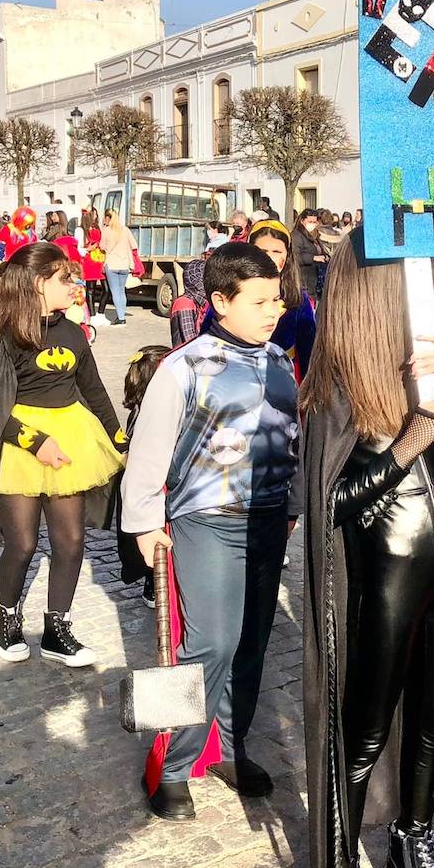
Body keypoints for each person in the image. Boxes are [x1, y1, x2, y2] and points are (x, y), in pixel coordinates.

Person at [301, 232, 434, 868]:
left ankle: (414, 834)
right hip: (388, 568)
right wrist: (404, 445)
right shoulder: (337, 384)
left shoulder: (424, 367)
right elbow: (329, 502)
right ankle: (342, 855)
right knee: (367, 725)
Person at [119, 243, 301, 822]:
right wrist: (146, 522)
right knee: (211, 643)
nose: (274, 309)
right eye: (259, 300)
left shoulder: (279, 360)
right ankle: (173, 765)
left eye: (277, 297)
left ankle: (230, 746)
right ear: (220, 301)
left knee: (251, 643)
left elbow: (290, 439)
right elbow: (148, 453)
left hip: (269, 520)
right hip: (208, 521)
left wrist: (292, 503)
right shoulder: (184, 367)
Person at [0, 242, 128, 667]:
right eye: (65, 279)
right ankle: (8, 616)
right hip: (20, 444)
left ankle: (58, 629)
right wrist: (35, 442)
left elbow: (92, 389)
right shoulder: (3, 337)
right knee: (20, 545)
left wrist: (118, 437)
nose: (74, 286)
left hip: (71, 439)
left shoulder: (73, 331)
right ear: (40, 283)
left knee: (71, 542)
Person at [246, 220, 316, 379]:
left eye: (277, 251)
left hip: (284, 382)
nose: (269, 258)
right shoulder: (232, 292)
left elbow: (308, 350)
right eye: (262, 251)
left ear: (287, 255)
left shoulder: (298, 299)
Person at [100, 209, 134, 325]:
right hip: (124, 265)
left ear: (108, 218)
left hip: (112, 264)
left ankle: (120, 318)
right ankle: (122, 315)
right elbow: (134, 244)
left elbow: (102, 246)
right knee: (121, 291)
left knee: (115, 292)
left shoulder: (106, 231)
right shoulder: (125, 230)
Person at [290, 208, 326, 299]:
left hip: (314, 280)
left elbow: (319, 250)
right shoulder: (296, 235)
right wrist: (313, 258)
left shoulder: (314, 235)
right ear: (302, 221)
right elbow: (295, 256)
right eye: (310, 221)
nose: (313, 224)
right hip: (303, 280)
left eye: (315, 222)